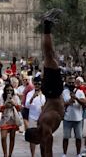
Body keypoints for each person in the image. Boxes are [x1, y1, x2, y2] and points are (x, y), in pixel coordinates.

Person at [24, 9, 65, 157]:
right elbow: (43, 147)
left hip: (53, 92)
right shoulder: (41, 125)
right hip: (51, 92)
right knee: (49, 55)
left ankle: (47, 24)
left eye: (36, 141)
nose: (38, 143)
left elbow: (48, 150)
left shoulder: (45, 126)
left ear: (36, 136)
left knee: (49, 54)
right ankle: (47, 25)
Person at [62, 76, 86, 157]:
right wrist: (69, 102)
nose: (71, 84)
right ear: (67, 83)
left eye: (73, 82)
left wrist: (76, 98)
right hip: (67, 118)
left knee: (78, 137)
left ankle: (78, 154)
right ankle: (64, 154)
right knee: (66, 137)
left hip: (78, 119)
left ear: (75, 83)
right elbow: (61, 104)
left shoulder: (80, 92)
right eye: (70, 83)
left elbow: (84, 103)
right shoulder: (64, 92)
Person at [0, 84, 22, 157]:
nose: (9, 92)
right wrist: (5, 105)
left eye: (11, 90)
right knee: (3, 137)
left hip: (13, 119)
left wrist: (14, 103)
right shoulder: (2, 97)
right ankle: (5, 154)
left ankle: (10, 154)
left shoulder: (15, 97)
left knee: (12, 137)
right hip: (5, 119)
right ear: (5, 90)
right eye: (7, 90)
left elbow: (19, 109)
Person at [25, 77, 46, 157]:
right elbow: (27, 105)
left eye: (39, 84)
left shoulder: (45, 94)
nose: (37, 85)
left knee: (43, 137)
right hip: (32, 118)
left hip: (43, 119)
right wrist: (32, 98)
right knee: (32, 137)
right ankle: (32, 155)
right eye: (35, 84)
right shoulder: (30, 93)